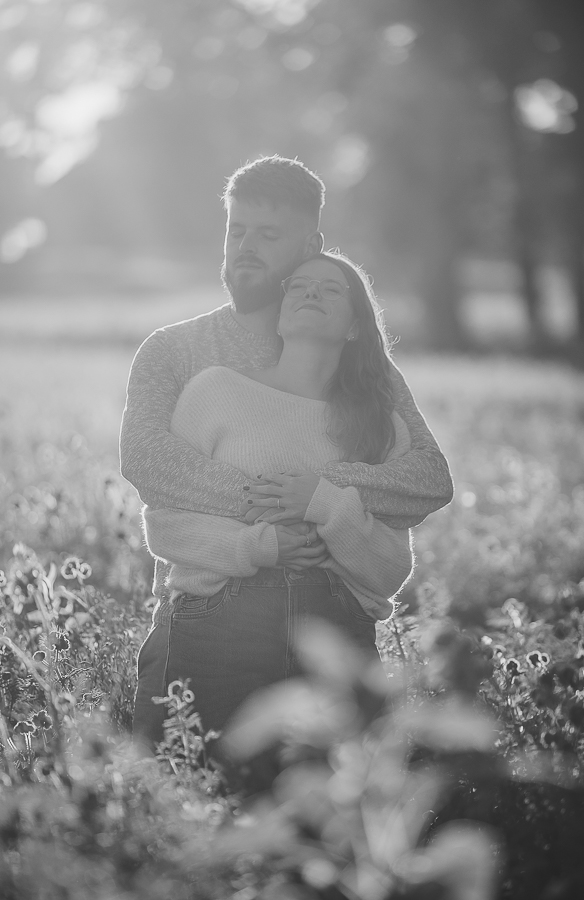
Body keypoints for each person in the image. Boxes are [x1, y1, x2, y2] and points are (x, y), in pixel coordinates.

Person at [119, 155, 453, 749]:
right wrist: (270, 507)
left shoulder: (348, 356)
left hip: (329, 616)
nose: (245, 247)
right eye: (236, 231)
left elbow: (425, 477)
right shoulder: (175, 350)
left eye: (268, 235)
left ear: (310, 244)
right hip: (200, 606)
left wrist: (318, 493)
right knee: (169, 786)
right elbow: (147, 463)